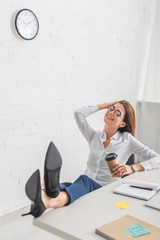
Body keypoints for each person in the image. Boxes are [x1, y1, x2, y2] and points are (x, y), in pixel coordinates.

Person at [22, 100, 160, 218]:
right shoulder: (94, 136)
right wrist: (105, 105)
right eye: (112, 109)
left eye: (118, 113)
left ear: (123, 124)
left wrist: (132, 168)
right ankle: (44, 198)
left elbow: (157, 158)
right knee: (66, 186)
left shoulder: (127, 140)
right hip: (85, 186)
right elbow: (78, 114)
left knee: (83, 181)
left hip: (104, 188)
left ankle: (47, 199)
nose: (111, 112)